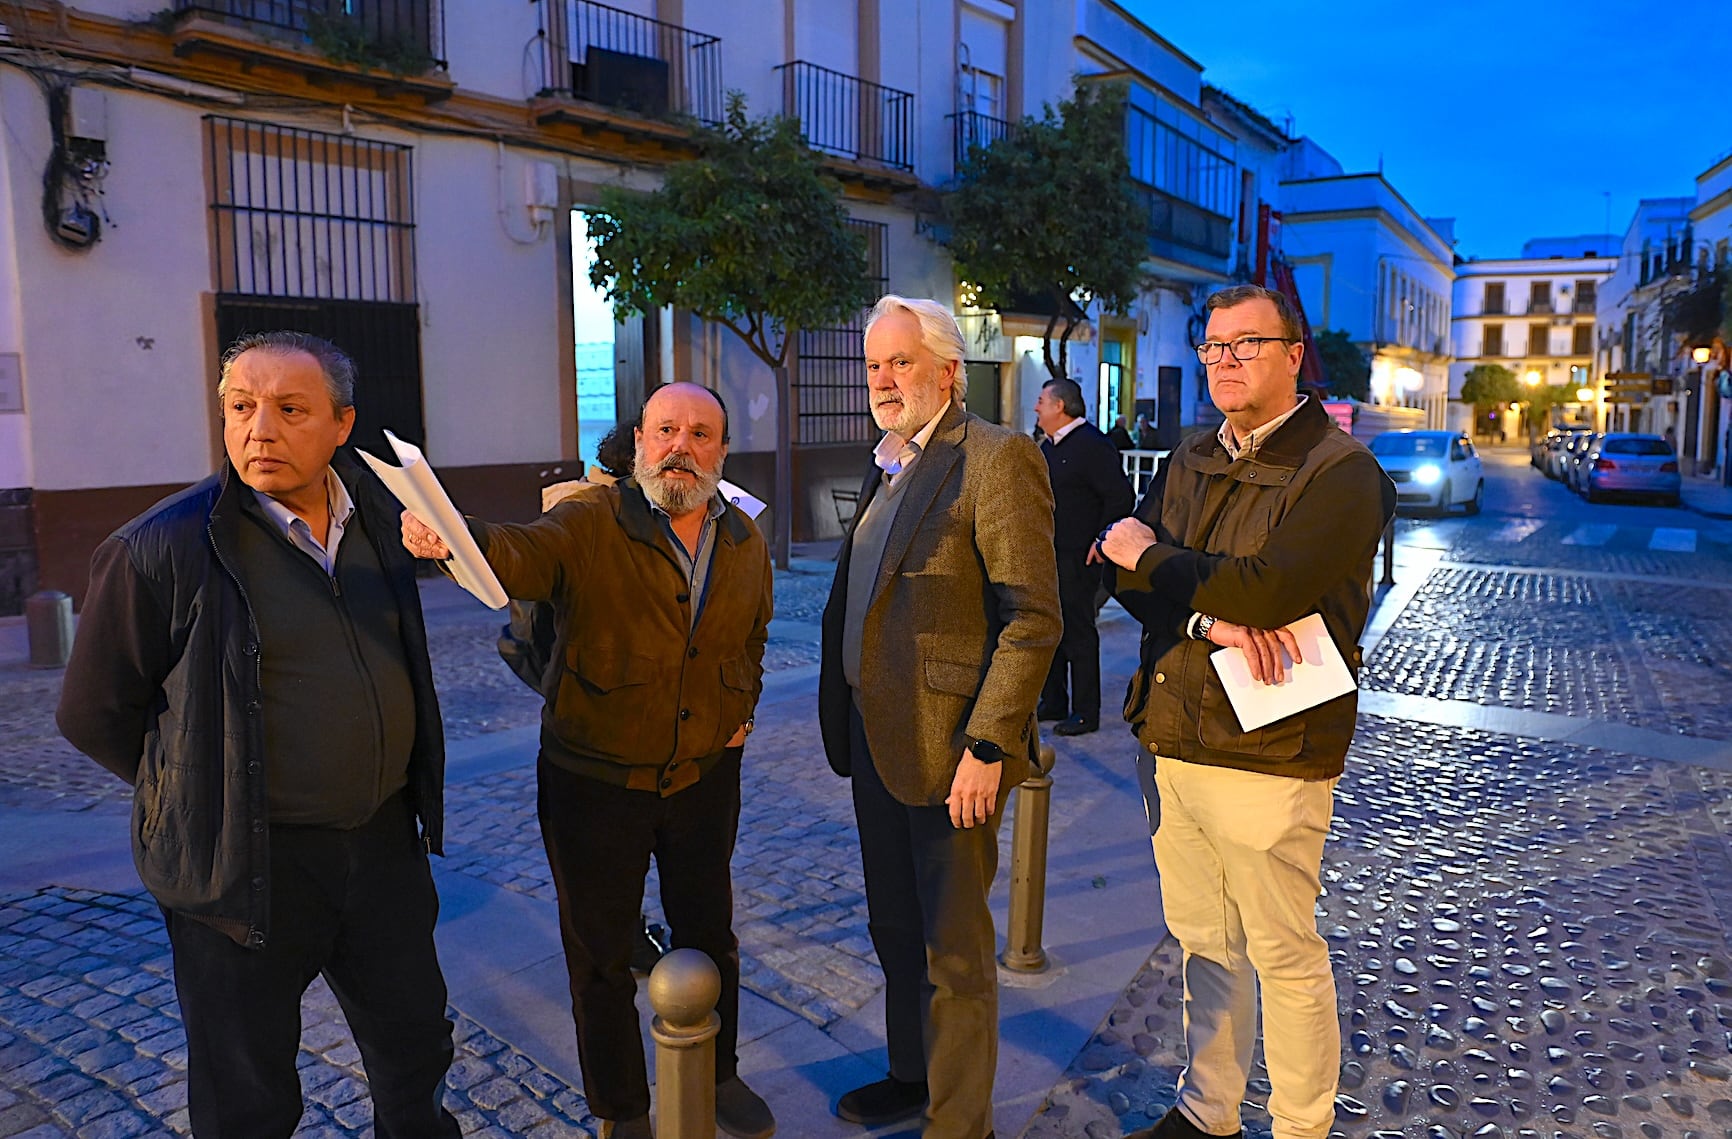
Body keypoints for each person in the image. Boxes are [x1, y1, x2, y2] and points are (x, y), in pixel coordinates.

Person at [57, 331, 460, 1138]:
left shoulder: (381, 515)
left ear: (342, 423)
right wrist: (196, 792)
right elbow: (93, 711)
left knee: (415, 1050)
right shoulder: (161, 547)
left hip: (381, 846)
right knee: (247, 1095)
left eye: (289, 408)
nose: (259, 430)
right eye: (241, 407)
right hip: (243, 864)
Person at [401, 382, 775, 1139]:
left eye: (701, 434)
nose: (682, 446)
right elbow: (521, 553)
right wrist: (454, 536)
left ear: (722, 452)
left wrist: (743, 714)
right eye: (666, 429)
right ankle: (622, 1107)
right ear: (639, 441)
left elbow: (752, 636)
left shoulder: (744, 538)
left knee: (712, 935)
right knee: (600, 956)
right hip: (595, 781)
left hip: (705, 776)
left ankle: (718, 1069)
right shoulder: (591, 519)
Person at [1099, 284, 1394, 1139]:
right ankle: (1207, 1110)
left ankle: (1301, 1126)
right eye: (1213, 346)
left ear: (1294, 353)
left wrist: (1156, 560)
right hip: (1174, 734)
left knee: (1283, 952)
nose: (1224, 361)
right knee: (1204, 941)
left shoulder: (1342, 473)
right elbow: (1118, 576)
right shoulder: (1193, 456)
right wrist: (1204, 614)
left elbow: (1268, 591)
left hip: (1272, 747)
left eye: (1245, 344)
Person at [819, 295, 1061, 1139]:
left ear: (949, 371)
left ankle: (962, 1123)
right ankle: (911, 1074)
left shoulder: (997, 457)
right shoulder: (888, 460)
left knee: (954, 952)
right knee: (894, 926)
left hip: (952, 748)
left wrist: (989, 743)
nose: (884, 380)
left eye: (902, 363)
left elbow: (1032, 615)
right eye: (874, 365)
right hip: (874, 735)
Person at [1033, 378, 1134, 737]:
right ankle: (1054, 700)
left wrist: (1103, 539)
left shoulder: (1092, 445)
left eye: (1041, 401)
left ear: (1060, 406)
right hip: (1049, 554)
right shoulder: (1049, 447)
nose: (1036, 408)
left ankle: (1084, 711)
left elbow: (1120, 497)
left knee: (1078, 632)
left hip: (1079, 558)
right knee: (1051, 629)